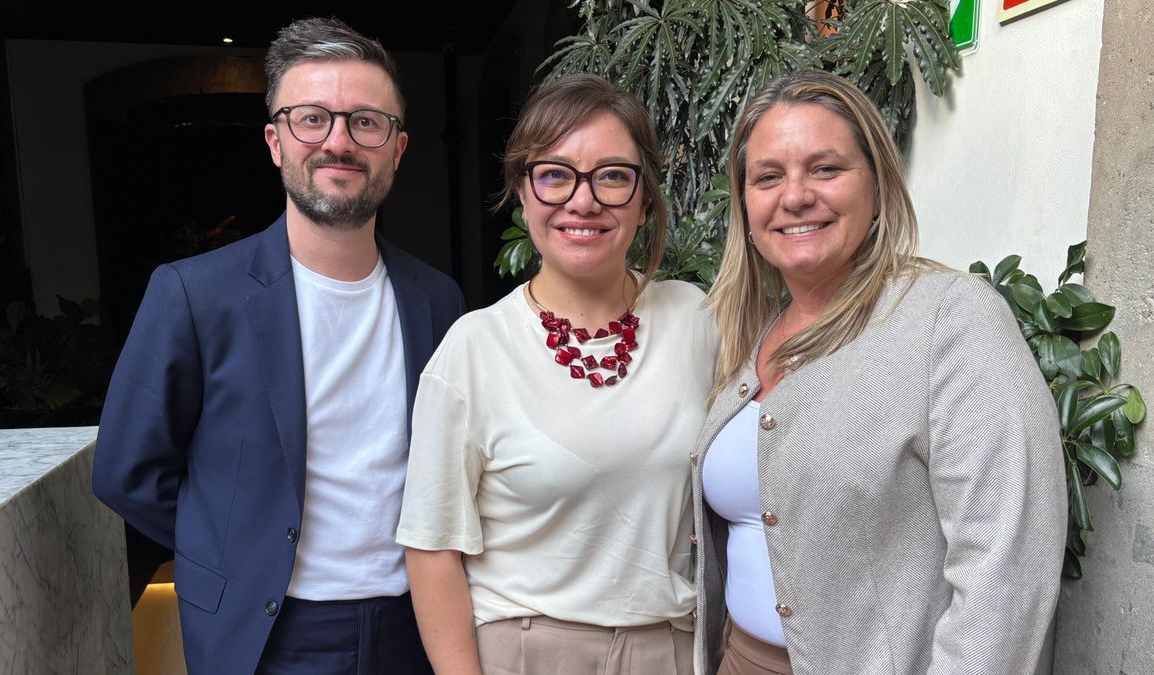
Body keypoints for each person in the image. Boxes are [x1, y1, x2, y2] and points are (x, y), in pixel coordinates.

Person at [92, 17, 463, 675]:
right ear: (275, 141)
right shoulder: (192, 294)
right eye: (312, 118)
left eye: (366, 122)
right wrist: (234, 541)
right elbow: (127, 469)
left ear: (398, 147)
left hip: (414, 624)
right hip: (268, 634)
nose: (339, 142)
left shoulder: (436, 299)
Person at [693, 69, 1067, 675]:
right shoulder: (750, 332)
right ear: (745, 204)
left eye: (826, 169)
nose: (795, 196)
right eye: (768, 177)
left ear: (877, 184)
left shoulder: (950, 318)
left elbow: (1007, 563)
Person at [395, 74, 718, 674]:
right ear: (523, 192)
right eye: (555, 175)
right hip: (527, 650)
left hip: (669, 649)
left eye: (613, 176)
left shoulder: (697, 321)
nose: (583, 200)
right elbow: (432, 544)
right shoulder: (474, 349)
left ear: (645, 199)